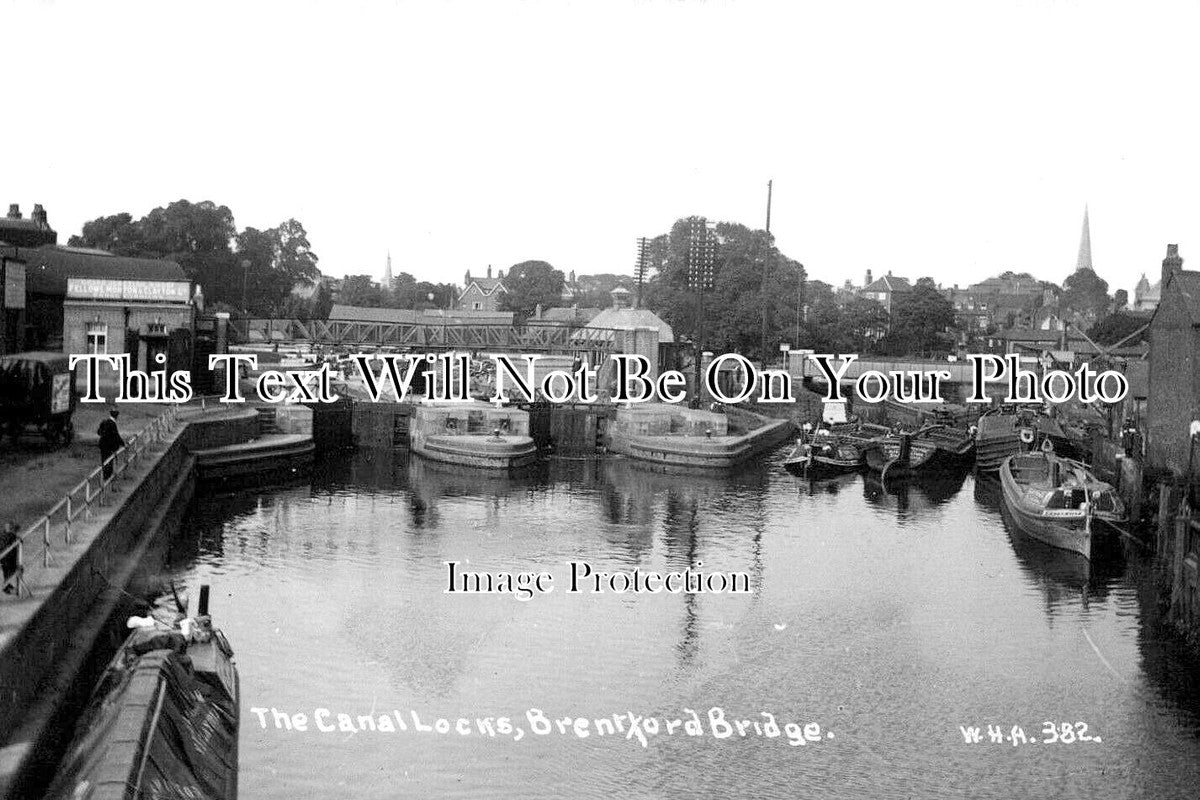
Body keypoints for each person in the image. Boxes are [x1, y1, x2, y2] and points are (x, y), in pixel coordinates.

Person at [97, 408, 124, 479]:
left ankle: (105, 475)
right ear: (116, 416)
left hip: (102, 444)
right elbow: (116, 435)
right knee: (110, 460)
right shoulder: (112, 424)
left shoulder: (105, 422)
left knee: (104, 460)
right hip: (109, 446)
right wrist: (123, 443)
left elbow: (99, 432)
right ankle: (108, 476)